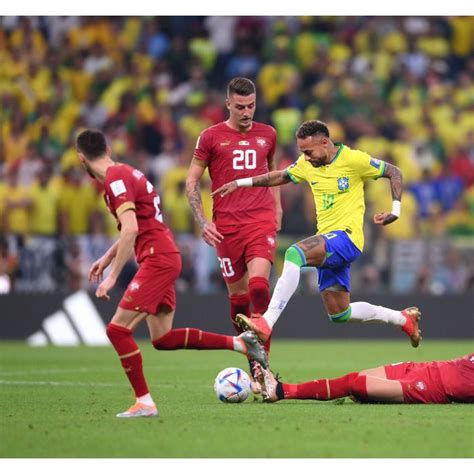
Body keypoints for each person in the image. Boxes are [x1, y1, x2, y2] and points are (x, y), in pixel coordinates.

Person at [75, 129, 267, 418]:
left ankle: (144, 402)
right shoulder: (126, 173)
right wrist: (107, 256)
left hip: (157, 259)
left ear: (81, 159)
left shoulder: (115, 180)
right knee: (162, 339)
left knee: (117, 330)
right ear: (109, 149)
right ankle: (241, 343)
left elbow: (132, 228)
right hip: (163, 254)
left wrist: (112, 277)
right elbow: (141, 223)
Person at [212, 120, 421, 346]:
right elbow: (280, 176)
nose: (306, 156)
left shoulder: (353, 159)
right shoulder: (306, 164)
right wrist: (240, 182)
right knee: (340, 313)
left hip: (347, 237)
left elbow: (394, 171)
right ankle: (403, 319)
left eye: (309, 151)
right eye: (302, 152)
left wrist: (396, 211)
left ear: (324, 142)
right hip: (329, 242)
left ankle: (267, 322)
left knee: (294, 254)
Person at [186, 77, 282, 387]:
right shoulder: (211, 137)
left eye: (251, 106)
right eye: (240, 107)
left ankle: (263, 369)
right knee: (239, 299)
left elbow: (273, 174)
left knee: (258, 287)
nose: (246, 112)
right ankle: (252, 359)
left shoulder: (268, 134)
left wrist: (277, 208)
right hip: (226, 226)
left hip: (260, 220)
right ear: (228, 104)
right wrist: (203, 221)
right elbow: (191, 182)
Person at [259, 353, 474, 404]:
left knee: (355, 383)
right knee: (359, 378)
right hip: (425, 368)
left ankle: (280, 390)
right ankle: (374, 396)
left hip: (430, 387)